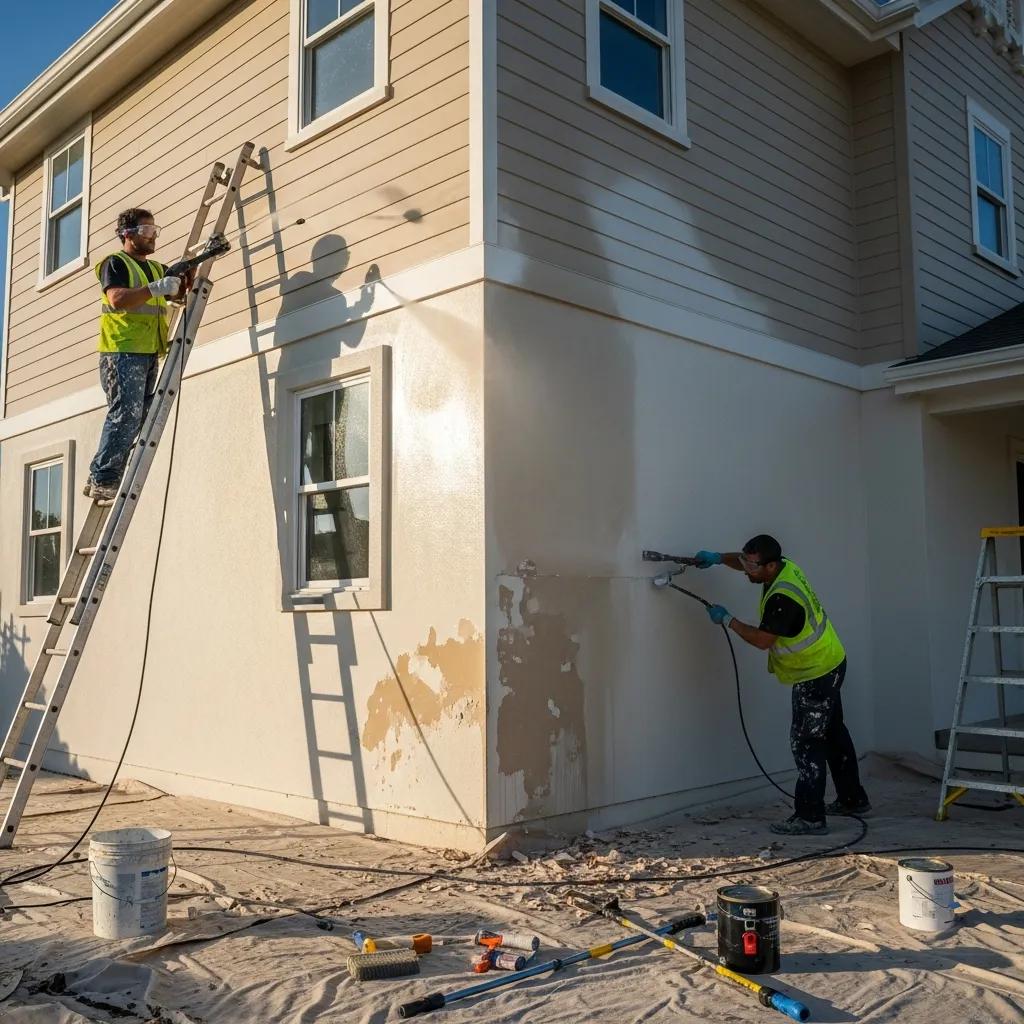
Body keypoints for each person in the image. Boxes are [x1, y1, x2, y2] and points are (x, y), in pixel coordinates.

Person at [693, 535, 870, 835]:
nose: (746, 570)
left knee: (806, 742)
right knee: (833, 733)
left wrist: (728, 619)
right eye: (745, 563)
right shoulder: (784, 566)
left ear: (770, 566)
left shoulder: (782, 599)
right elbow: (747, 561)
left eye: (752, 566)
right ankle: (852, 799)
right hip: (830, 659)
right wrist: (719, 558)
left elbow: (763, 640)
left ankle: (810, 817)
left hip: (815, 673)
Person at [84, 208, 189, 501]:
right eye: (146, 231)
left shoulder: (156, 268)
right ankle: (103, 478)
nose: (152, 236)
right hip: (121, 351)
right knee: (125, 415)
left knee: (140, 415)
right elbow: (117, 299)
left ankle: (99, 475)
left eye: (155, 230)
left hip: (149, 350)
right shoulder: (115, 263)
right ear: (127, 234)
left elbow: (175, 294)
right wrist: (156, 289)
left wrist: (183, 279)